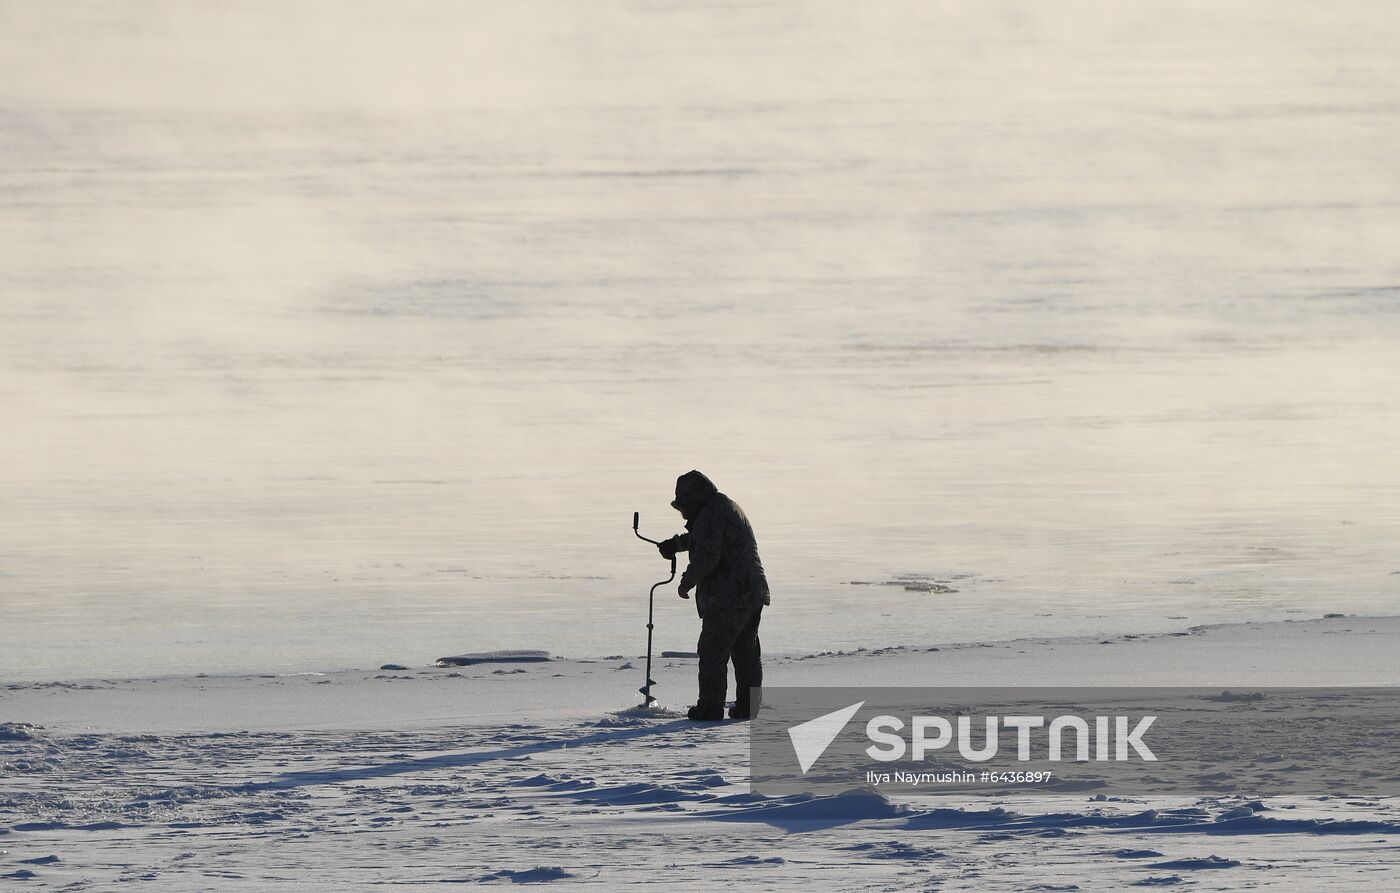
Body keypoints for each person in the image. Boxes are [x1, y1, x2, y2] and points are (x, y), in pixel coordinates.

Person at [656, 470, 770, 721]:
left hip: (730, 595)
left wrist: (687, 582)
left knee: (712, 652)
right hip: (752, 592)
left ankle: (709, 709)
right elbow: (705, 539)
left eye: (684, 506)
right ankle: (748, 708)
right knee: (746, 652)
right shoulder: (722, 507)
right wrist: (675, 545)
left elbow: (708, 554)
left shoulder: (711, 513)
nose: (683, 513)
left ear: (696, 500)